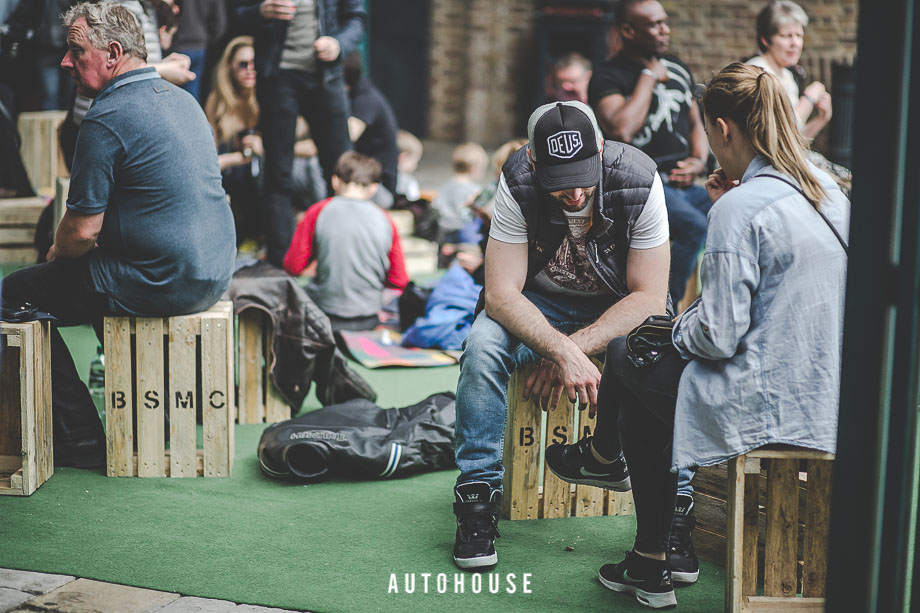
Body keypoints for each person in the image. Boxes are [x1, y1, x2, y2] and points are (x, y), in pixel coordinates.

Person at [546, 62, 849, 609]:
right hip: (828, 390)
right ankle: (647, 558)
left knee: (628, 350)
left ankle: (606, 463)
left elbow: (718, 335)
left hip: (770, 404)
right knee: (638, 363)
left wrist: (673, 327)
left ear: (724, 128)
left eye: (707, 131)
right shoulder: (827, 188)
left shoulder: (740, 208)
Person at [0, 1, 236, 468]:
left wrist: (58, 251)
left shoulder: (106, 116)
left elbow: (83, 230)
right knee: (91, 277)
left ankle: (79, 437)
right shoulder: (182, 100)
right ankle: (144, 407)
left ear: (112, 54)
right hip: (214, 270)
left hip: (167, 279)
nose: (65, 62)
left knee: (12, 292)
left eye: (76, 50)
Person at [450, 100, 670, 570]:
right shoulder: (517, 178)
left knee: (667, 354)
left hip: (615, 304)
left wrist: (566, 349)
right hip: (539, 302)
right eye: (559, 180)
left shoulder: (639, 177)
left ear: (602, 148)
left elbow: (650, 298)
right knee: (482, 345)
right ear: (533, 158)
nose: (573, 193)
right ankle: (476, 499)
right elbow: (501, 295)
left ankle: (677, 515)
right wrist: (558, 345)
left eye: (583, 176)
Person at [588, 0, 711, 304]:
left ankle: (709, 308)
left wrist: (698, 160)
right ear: (629, 30)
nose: (664, 30)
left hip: (684, 185)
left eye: (664, 22)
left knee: (732, 211)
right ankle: (663, 311)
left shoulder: (678, 68)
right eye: (655, 25)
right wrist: (648, 76)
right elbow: (622, 128)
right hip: (640, 185)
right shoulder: (607, 76)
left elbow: (696, 121)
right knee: (694, 227)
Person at [231, 0, 365, 268]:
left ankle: (340, 259)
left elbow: (357, 20)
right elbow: (236, 15)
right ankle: (284, 267)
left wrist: (338, 44)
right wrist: (261, 12)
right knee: (277, 174)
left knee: (342, 170)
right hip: (278, 78)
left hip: (326, 78)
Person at [282, 151, 408, 331]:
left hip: (324, 314)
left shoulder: (317, 212)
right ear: (373, 188)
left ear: (335, 181)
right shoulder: (386, 220)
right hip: (369, 315)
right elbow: (399, 280)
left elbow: (292, 266)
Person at [747, 1, 831, 141]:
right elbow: (777, 136)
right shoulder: (757, 73)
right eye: (787, 36)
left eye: (799, 36)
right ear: (766, 40)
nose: (795, 44)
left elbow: (794, 144)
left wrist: (822, 119)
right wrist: (809, 99)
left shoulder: (787, 76)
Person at [343, 52, 399, 206]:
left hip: (377, 188)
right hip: (358, 180)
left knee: (311, 166)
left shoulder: (365, 99)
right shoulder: (355, 93)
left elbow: (344, 138)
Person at [431, 142, 488, 245]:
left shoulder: (445, 186)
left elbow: (436, 205)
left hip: (444, 229)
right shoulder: (474, 190)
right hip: (464, 232)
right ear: (473, 169)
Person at [395, 129, 422, 201]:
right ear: (403, 157)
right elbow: (414, 200)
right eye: (415, 161)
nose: (416, 165)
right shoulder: (408, 182)